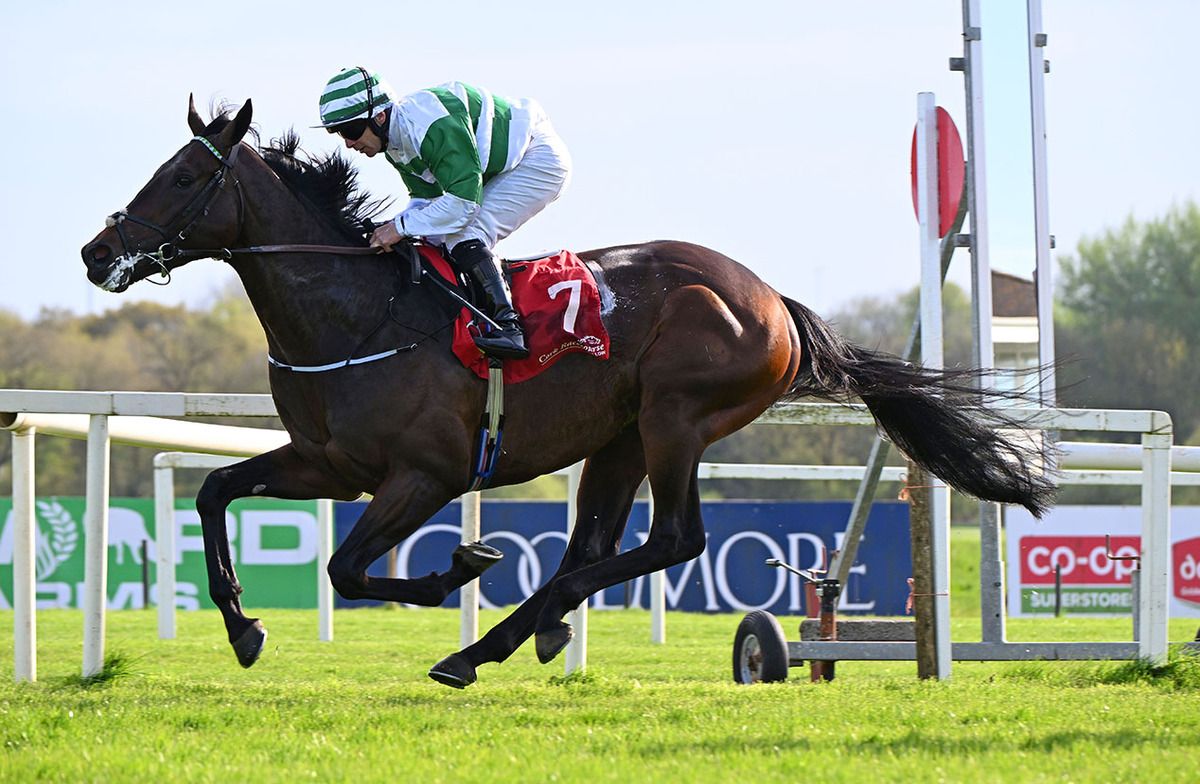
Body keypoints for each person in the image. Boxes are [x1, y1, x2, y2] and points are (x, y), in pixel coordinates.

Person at [316, 67, 571, 360]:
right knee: (434, 236)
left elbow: (462, 204)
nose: (348, 143)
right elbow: (427, 200)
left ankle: (507, 326)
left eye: (350, 130)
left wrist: (399, 227)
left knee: (467, 232)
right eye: (338, 133)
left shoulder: (429, 126)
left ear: (380, 117)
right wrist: (389, 227)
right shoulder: (395, 142)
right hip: (498, 168)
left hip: (537, 158)